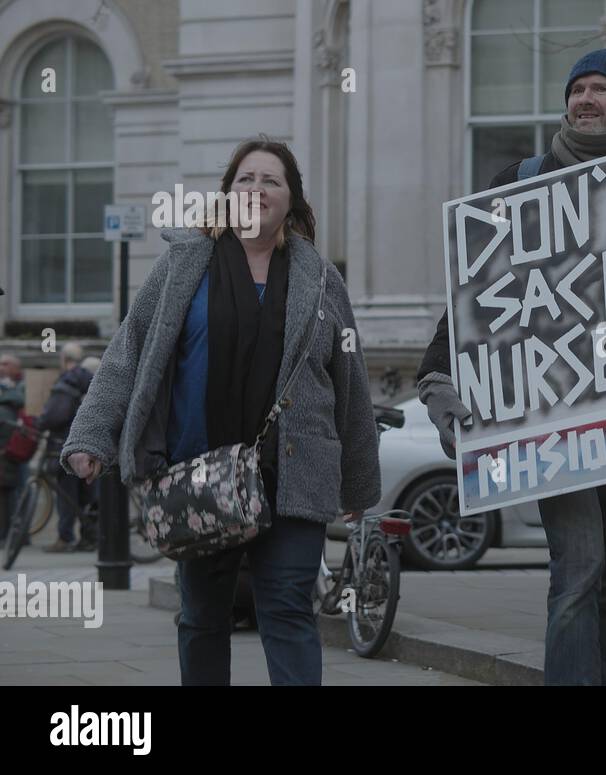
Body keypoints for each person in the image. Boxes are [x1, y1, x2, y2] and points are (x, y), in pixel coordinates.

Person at [418, 49, 606, 685]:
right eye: (577, 88)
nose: (585, 98)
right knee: (578, 575)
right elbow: (477, 294)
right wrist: (438, 377)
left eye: (601, 88)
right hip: (548, 418)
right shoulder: (518, 178)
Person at [60, 138, 381, 686]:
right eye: (245, 180)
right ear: (228, 193)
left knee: (287, 612)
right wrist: (90, 435)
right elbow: (130, 349)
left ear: (292, 200)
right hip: (199, 478)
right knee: (204, 619)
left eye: (270, 181)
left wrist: (358, 485)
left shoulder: (322, 279)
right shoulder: (186, 262)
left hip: (292, 482)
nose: (256, 190)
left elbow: (349, 381)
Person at [36, 343, 95, 552]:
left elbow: (55, 415)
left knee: (65, 493)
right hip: (87, 443)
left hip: (65, 443)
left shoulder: (68, 379)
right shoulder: (87, 378)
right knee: (85, 493)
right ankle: (89, 537)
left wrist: (40, 422)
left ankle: (65, 537)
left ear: (63, 358)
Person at [0, 352, 26, 541]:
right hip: (8, 445)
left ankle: (17, 534)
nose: (2, 367)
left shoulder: (21, 389)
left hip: (15, 447)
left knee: (16, 491)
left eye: (6, 364)